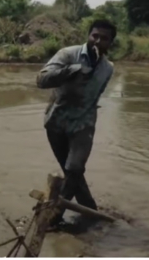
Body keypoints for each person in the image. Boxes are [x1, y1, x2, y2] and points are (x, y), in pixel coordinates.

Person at [36, 19, 116, 223]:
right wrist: (70, 71)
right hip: (56, 122)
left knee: (74, 168)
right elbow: (41, 80)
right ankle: (91, 211)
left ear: (110, 43)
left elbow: (95, 97)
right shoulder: (67, 54)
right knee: (72, 173)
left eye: (104, 38)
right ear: (88, 36)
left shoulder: (108, 68)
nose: (97, 41)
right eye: (94, 36)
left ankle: (53, 215)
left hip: (83, 125)